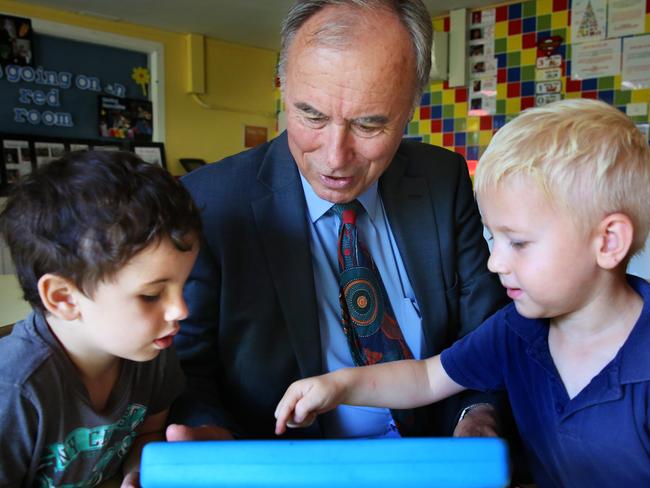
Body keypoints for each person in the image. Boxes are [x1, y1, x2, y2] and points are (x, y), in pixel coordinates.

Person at [168, 0, 507, 442]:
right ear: (282, 88)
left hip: (435, 455)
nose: (335, 158)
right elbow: (187, 370)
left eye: (369, 125)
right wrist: (210, 434)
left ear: (411, 107)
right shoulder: (208, 203)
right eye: (312, 115)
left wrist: (478, 415)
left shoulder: (442, 178)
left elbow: (482, 328)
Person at [274, 99, 650, 486]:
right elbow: (425, 379)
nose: (494, 263)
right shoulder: (516, 330)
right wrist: (338, 386)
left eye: (518, 243)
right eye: (493, 238)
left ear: (608, 242)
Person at [0, 151, 202, 487]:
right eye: (151, 295)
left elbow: (148, 430)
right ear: (64, 298)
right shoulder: (14, 393)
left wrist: (137, 473)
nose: (181, 310)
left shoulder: (150, 348)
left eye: (183, 285)